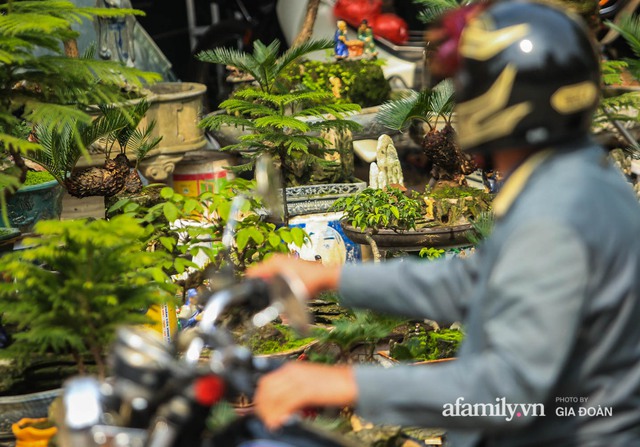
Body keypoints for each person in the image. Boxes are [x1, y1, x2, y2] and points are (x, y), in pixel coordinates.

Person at [248, 1, 640, 446]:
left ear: (504, 98)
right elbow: (474, 281)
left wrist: (346, 385)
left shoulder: (557, 212)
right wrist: (330, 276)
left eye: (469, 83)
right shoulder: (576, 178)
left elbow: (505, 390)